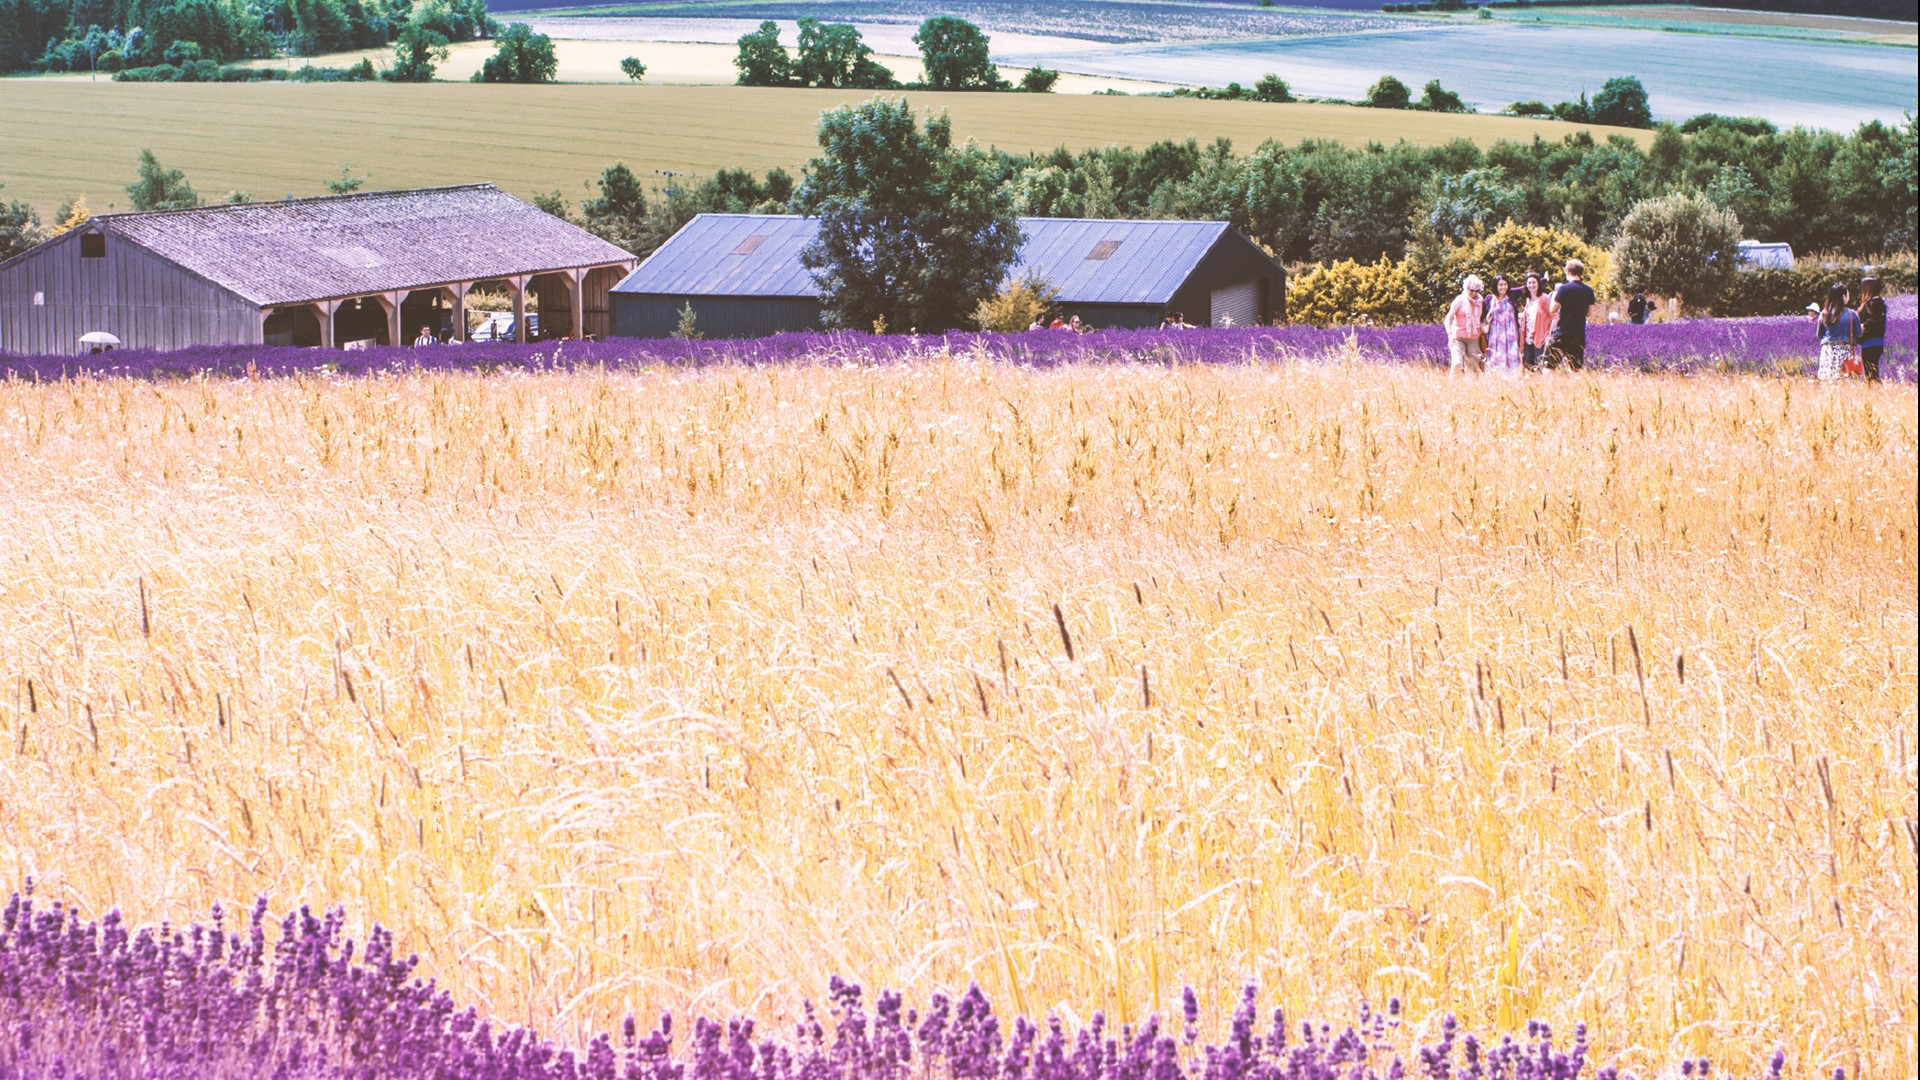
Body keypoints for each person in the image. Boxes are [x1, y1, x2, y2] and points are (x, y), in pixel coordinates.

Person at [1545, 259, 1596, 370]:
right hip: (1578, 333)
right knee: (1575, 368)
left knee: (1549, 366)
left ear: (1568, 271)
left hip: (1562, 332)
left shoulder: (1564, 289)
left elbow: (1552, 309)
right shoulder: (1589, 290)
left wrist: (1555, 295)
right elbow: (1589, 314)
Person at [1815, 281, 1860, 380]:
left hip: (1828, 352)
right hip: (1845, 352)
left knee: (1827, 381)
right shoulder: (1852, 314)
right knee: (1845, 381)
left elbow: (1819, 335)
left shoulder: (1824, 314)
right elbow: (1859, 335)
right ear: (1844, 297)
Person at [1445, 274, 1486, 375]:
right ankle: (1453, 386)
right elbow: (1448, 319)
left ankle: (1472, 388)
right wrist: (1449, 334)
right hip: (1458, 337)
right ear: (1466, 288)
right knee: (1457, 364)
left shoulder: (1480, 301)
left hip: (1474, 338)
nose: (1474, 293)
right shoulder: (1459, 300)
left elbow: (1482, 318)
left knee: (1475, 366)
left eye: (1477, 291)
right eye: (1471, 290)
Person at [1483, 275, 1522, 377]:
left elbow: (1527, 287)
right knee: (1496, 356)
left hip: (1511, 334)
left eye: (1505, 284)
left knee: (1512, 356)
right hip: (1496, 335)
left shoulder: (1511, 296)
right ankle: (1496, 380)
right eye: (1500, 285)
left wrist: (1544, 279)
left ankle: (1513, 379)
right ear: (1495, 285)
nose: (1503, 287)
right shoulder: (1489, 299)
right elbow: (1481, 314)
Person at [1856, 275, 1886, 383]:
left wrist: (1861, 327)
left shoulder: (1872, 304)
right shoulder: (1879, 302)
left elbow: (1871, 322)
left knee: (1870, 374)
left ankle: (1874, 393)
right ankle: (1875, 392)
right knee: (1873, 372)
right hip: (1878, 342)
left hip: (1869, 343)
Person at [1521, 272, 1553, 371]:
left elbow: (1554, 316)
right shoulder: (1528, 299)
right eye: (1529, 283)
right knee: (1528, 366)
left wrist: (1549, 334)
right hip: (1528, 338)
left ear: (1539, 283)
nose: (1531, 285)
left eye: (1534, 282)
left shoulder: (1544, 298)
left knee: (1540, 366)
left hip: (1540, 337)